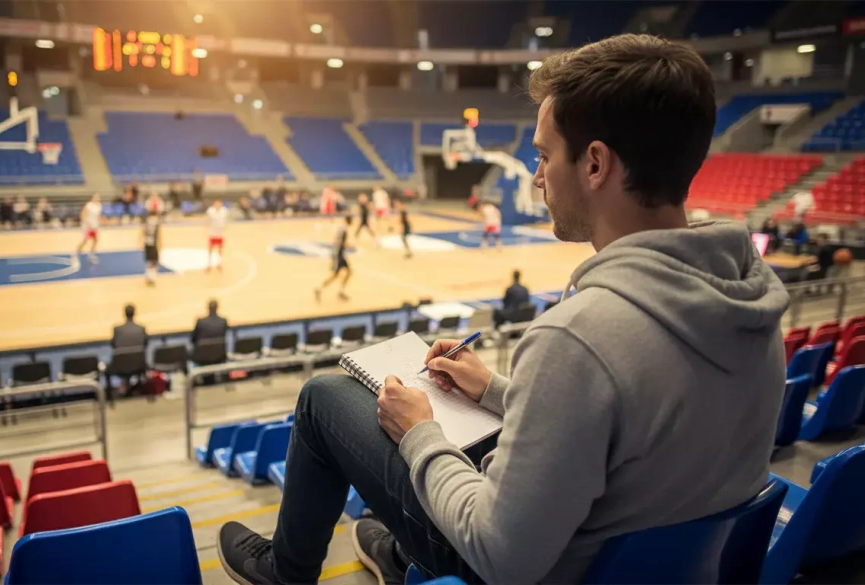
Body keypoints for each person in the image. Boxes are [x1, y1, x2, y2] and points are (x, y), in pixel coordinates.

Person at [217, 34, 789, 585]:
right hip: (666, 560)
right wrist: (494, 389)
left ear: (595, 165)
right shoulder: (750, 299)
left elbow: (500, 554)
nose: (537, 177)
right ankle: (395, 551)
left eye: (543, 156)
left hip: (532, 566)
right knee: (464, 432)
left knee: (324, 399)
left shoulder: (578, 337)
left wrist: (420, 433)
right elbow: (626, 421)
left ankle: (287, 573)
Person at [315, 215, 353, 302]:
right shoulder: (344, 231)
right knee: (334, 276)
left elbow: (335, 240)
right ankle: (319, 289)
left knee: (349, 272)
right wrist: (349, 245)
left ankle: (341, 291)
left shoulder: (341, 228)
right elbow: (340, 243)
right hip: (338, 255)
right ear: (350, 221)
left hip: (340, 255)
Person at [75, 194, 102, 265]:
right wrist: (86, 224)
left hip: (94, 226)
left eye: (98, 198)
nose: (97, 199)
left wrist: (98, 224)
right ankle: (76, 255)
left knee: (96, 240)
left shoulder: (99, 206)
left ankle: (91, 255)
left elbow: (98, 216)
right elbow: (82, 215)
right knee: (85, 241)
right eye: (96, 197)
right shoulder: (88, 205)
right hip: (88, 226)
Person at [141, 211, 162, 286]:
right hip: (152, 244)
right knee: (153, 261)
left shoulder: (147, 221)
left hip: (148, 243)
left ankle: (149, 277)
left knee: (150, 261)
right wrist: (160, 244)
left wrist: (141, 242)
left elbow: (143, 231)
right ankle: (151, 277)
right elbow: (159, 234)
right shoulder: (156, 222)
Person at [206, 199, 227, 272]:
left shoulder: (224, 211)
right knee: (210, 248)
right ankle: (209, 263)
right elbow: (208, 220)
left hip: (220, 233)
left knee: (220, 248)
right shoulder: (210, 211)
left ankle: (219, 263)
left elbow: (225, 220)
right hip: (212, 232)